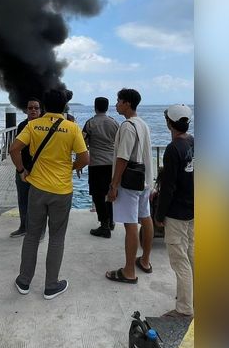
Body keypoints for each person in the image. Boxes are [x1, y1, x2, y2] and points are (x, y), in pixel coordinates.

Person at [8, 88, 89, 299]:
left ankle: (24, 281)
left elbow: (14, 149)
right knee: (56, 238)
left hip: (37, 189)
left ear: (43, 106)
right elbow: (84, 158)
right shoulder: (72, 128)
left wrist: (21, 170)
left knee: (32, 236)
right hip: (62, 190)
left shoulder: (33, 125)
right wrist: (70, 168)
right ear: (64, 106)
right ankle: (51, 285)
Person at [105, 88, 155, 284]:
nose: (116, 104)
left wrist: (114, 185)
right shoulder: (143, 124)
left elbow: (123, 158)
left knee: (131, 224)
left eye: (118, 101)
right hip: (144, 180)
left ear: (126, 103)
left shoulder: (126, 126)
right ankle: (145, 261)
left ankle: (128, 271)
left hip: (129, 183)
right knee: (146, 217)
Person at [155, 105, 195, 318]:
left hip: (177, 212)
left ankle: (184, 308)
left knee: (180, 260)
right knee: (191, 253)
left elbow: (168, 187)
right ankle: (193, 297)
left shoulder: (173, 149)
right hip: (193, 209)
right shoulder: (194, 142)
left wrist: (159, 215)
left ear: (169, 122)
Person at [83, 96, 119, 237]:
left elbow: (83, 142)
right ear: (107, 106)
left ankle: (104, 225)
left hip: (96, 163)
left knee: (98, 196)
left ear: (95, 107)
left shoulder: (90, 123)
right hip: (111, 164)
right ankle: (111, 221)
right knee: (109, 193)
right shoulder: (114, 123)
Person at [9, 98, 41, 238]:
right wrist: (21, 169)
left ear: (40, 110)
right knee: (23, 199)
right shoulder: (22, 126)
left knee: (39, 202)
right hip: (24, 168)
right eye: (30, 108)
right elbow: (16, 149)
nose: (33, 110)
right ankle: (23, 226)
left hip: (40, 170)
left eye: (36, 108)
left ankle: (39, 230)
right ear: (26, 110)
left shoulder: (43, 126)